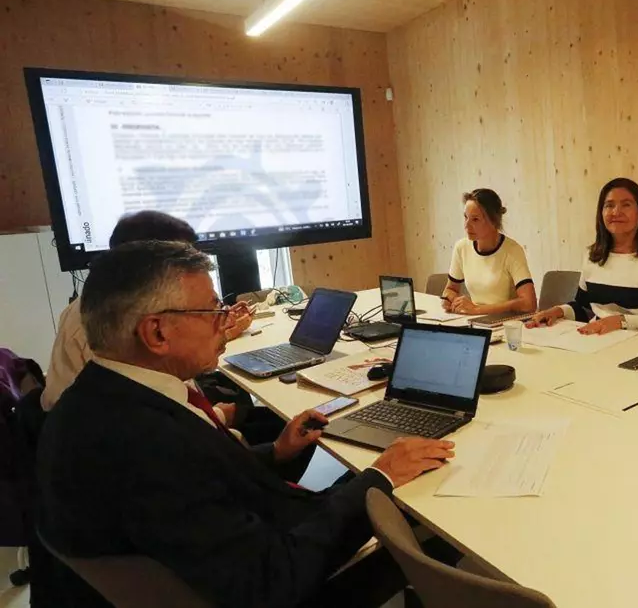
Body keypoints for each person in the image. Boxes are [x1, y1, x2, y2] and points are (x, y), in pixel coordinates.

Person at [38, 241, 455, 607]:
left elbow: (207, 483)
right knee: (435, 523)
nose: (224, 321)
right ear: (157, 333)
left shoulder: (95, 399)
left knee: (371, 480)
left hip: (253, 539)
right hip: (291, 578)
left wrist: (276, 453)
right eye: (211, 311)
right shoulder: (145, 447)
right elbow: (273, 581)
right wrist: (380, 479)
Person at [43, 210, 253, 411]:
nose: (191, 267)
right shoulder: (107, 320)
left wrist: (219, 329)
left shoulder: (114, 302)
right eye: (178, 259)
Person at [526, 177, 638, 335]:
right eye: (609, 205)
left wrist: (622, 321)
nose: (616, 212)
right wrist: (558, 311)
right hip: (598, 339)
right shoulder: (592, 255)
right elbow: (584, 308)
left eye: (626, 205)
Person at [441, 188, 537, 315]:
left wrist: (477, 310)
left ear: (494, 221)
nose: (466, 225)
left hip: (507, 322)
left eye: (475, 219)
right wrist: (450, 299)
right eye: (465, 217)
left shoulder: (512, 250)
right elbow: (450, 290)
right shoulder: (461, 247)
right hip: (475, 320)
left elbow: (529, 303)